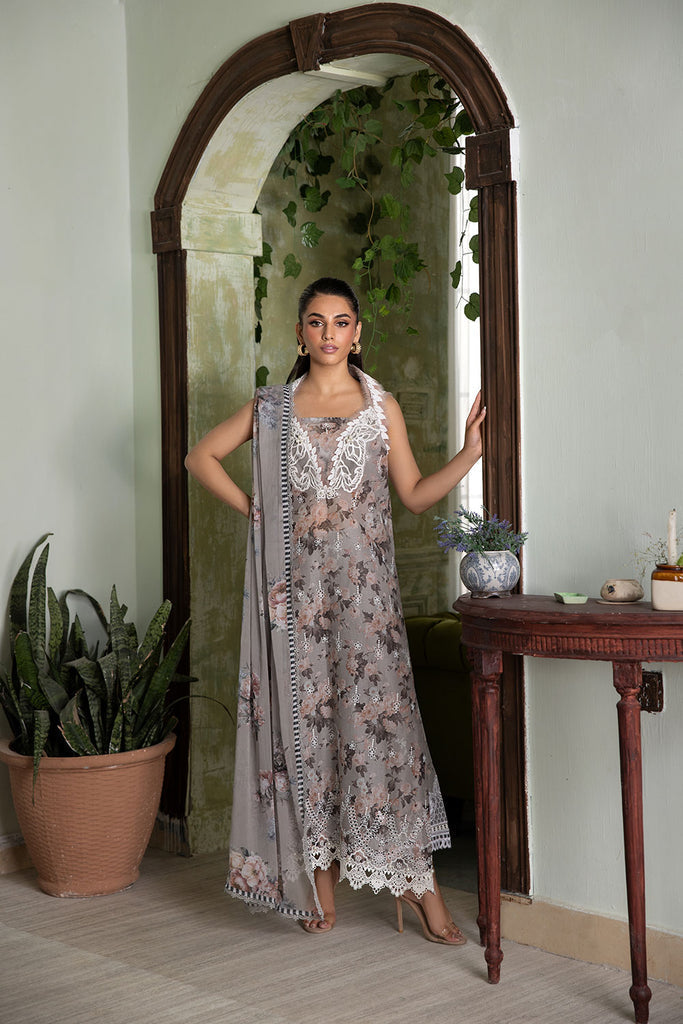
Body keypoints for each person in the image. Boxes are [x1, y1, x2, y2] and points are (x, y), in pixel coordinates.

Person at [185, 277, 486, 942]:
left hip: (368, 608)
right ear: (300, 334)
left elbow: (413, 495)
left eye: (341, 321)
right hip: (295, 610)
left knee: (383, 735)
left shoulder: (381, 407)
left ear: (357, 332)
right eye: (316, 322)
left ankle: (417, 885)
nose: (328, 333)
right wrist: (257, 512)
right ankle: (319, 881)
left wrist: (469, 454)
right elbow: (199, 457)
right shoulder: (271, 408)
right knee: (309, 738)